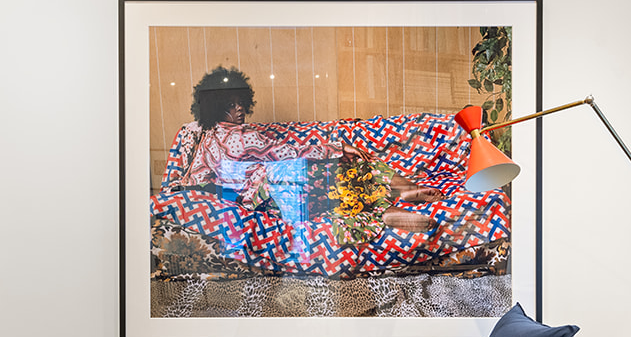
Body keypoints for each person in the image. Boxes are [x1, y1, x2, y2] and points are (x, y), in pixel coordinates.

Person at [173, 66, 441, 232]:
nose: (240, 108)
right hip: (274, 191)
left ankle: (384, 213)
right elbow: (286, 152)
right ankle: (402, 191)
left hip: (266, 204)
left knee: (327, 202)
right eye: (232, 105)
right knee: (342, 169)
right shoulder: (239, 136)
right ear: (219, 107)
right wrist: (336, 148)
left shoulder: (204, 139)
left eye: (240, 103)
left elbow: (194, 182)